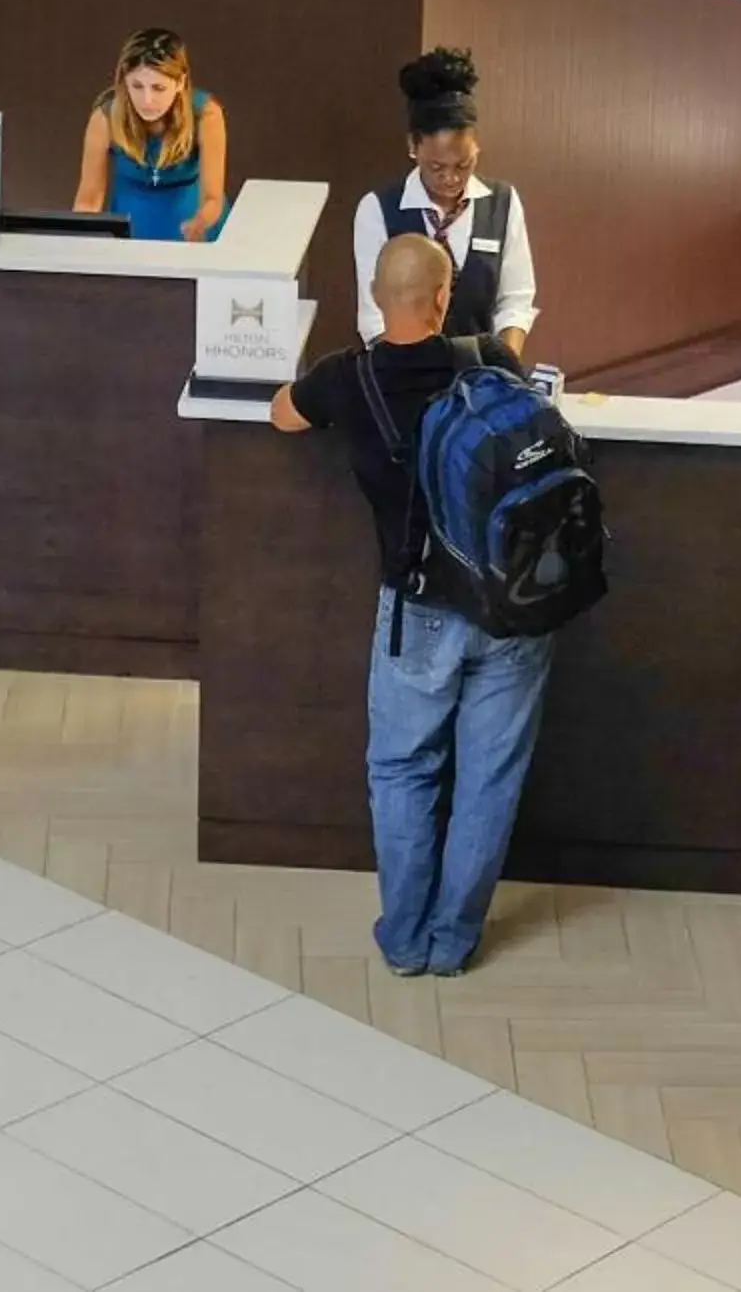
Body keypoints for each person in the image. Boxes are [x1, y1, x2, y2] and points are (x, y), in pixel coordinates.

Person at [273, 234, 548, 979]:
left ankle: (403, 939)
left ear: (372, 294)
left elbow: (279, 414)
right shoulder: (491, 358)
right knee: (489, 779)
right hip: (512, 605)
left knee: (402, 771)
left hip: (418, 610)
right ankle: (454, 941)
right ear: (444, 293)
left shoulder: (344, 380)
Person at [354, 47, 536, 355]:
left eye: (463, 164)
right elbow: (374, 318)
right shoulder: (379, 209)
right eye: (437, 167)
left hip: (481, 377)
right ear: (414, 145)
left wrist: (507, 369)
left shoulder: (502, 203)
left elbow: (515, 300)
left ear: (477, 146)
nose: (451, 178)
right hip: (404, 378)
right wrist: (406, 376)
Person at [74, 27, 228, 242]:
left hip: (196, 228)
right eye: (137, 86)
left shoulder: (206, 115)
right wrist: (81, 239)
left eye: (158, 88)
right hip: (132, 230)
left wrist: (200, 224)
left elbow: (213, 197)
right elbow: (89, 198)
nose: (147, 100)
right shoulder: (105, 118)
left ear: (180, 83)